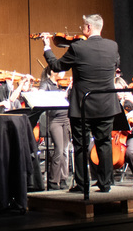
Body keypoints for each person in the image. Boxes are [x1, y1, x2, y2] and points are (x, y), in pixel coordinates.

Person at [42, 14, 120, 192]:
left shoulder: (78, 47)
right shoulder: (112, 46)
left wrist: (47, 47)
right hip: (107, 104)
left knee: (81, 146)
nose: (81, 29)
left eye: (83, 26)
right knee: (104, 143)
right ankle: (105, 183)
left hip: (82, 105)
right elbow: (116, 64)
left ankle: (82, 184)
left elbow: (56, 66)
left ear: (89, 28)